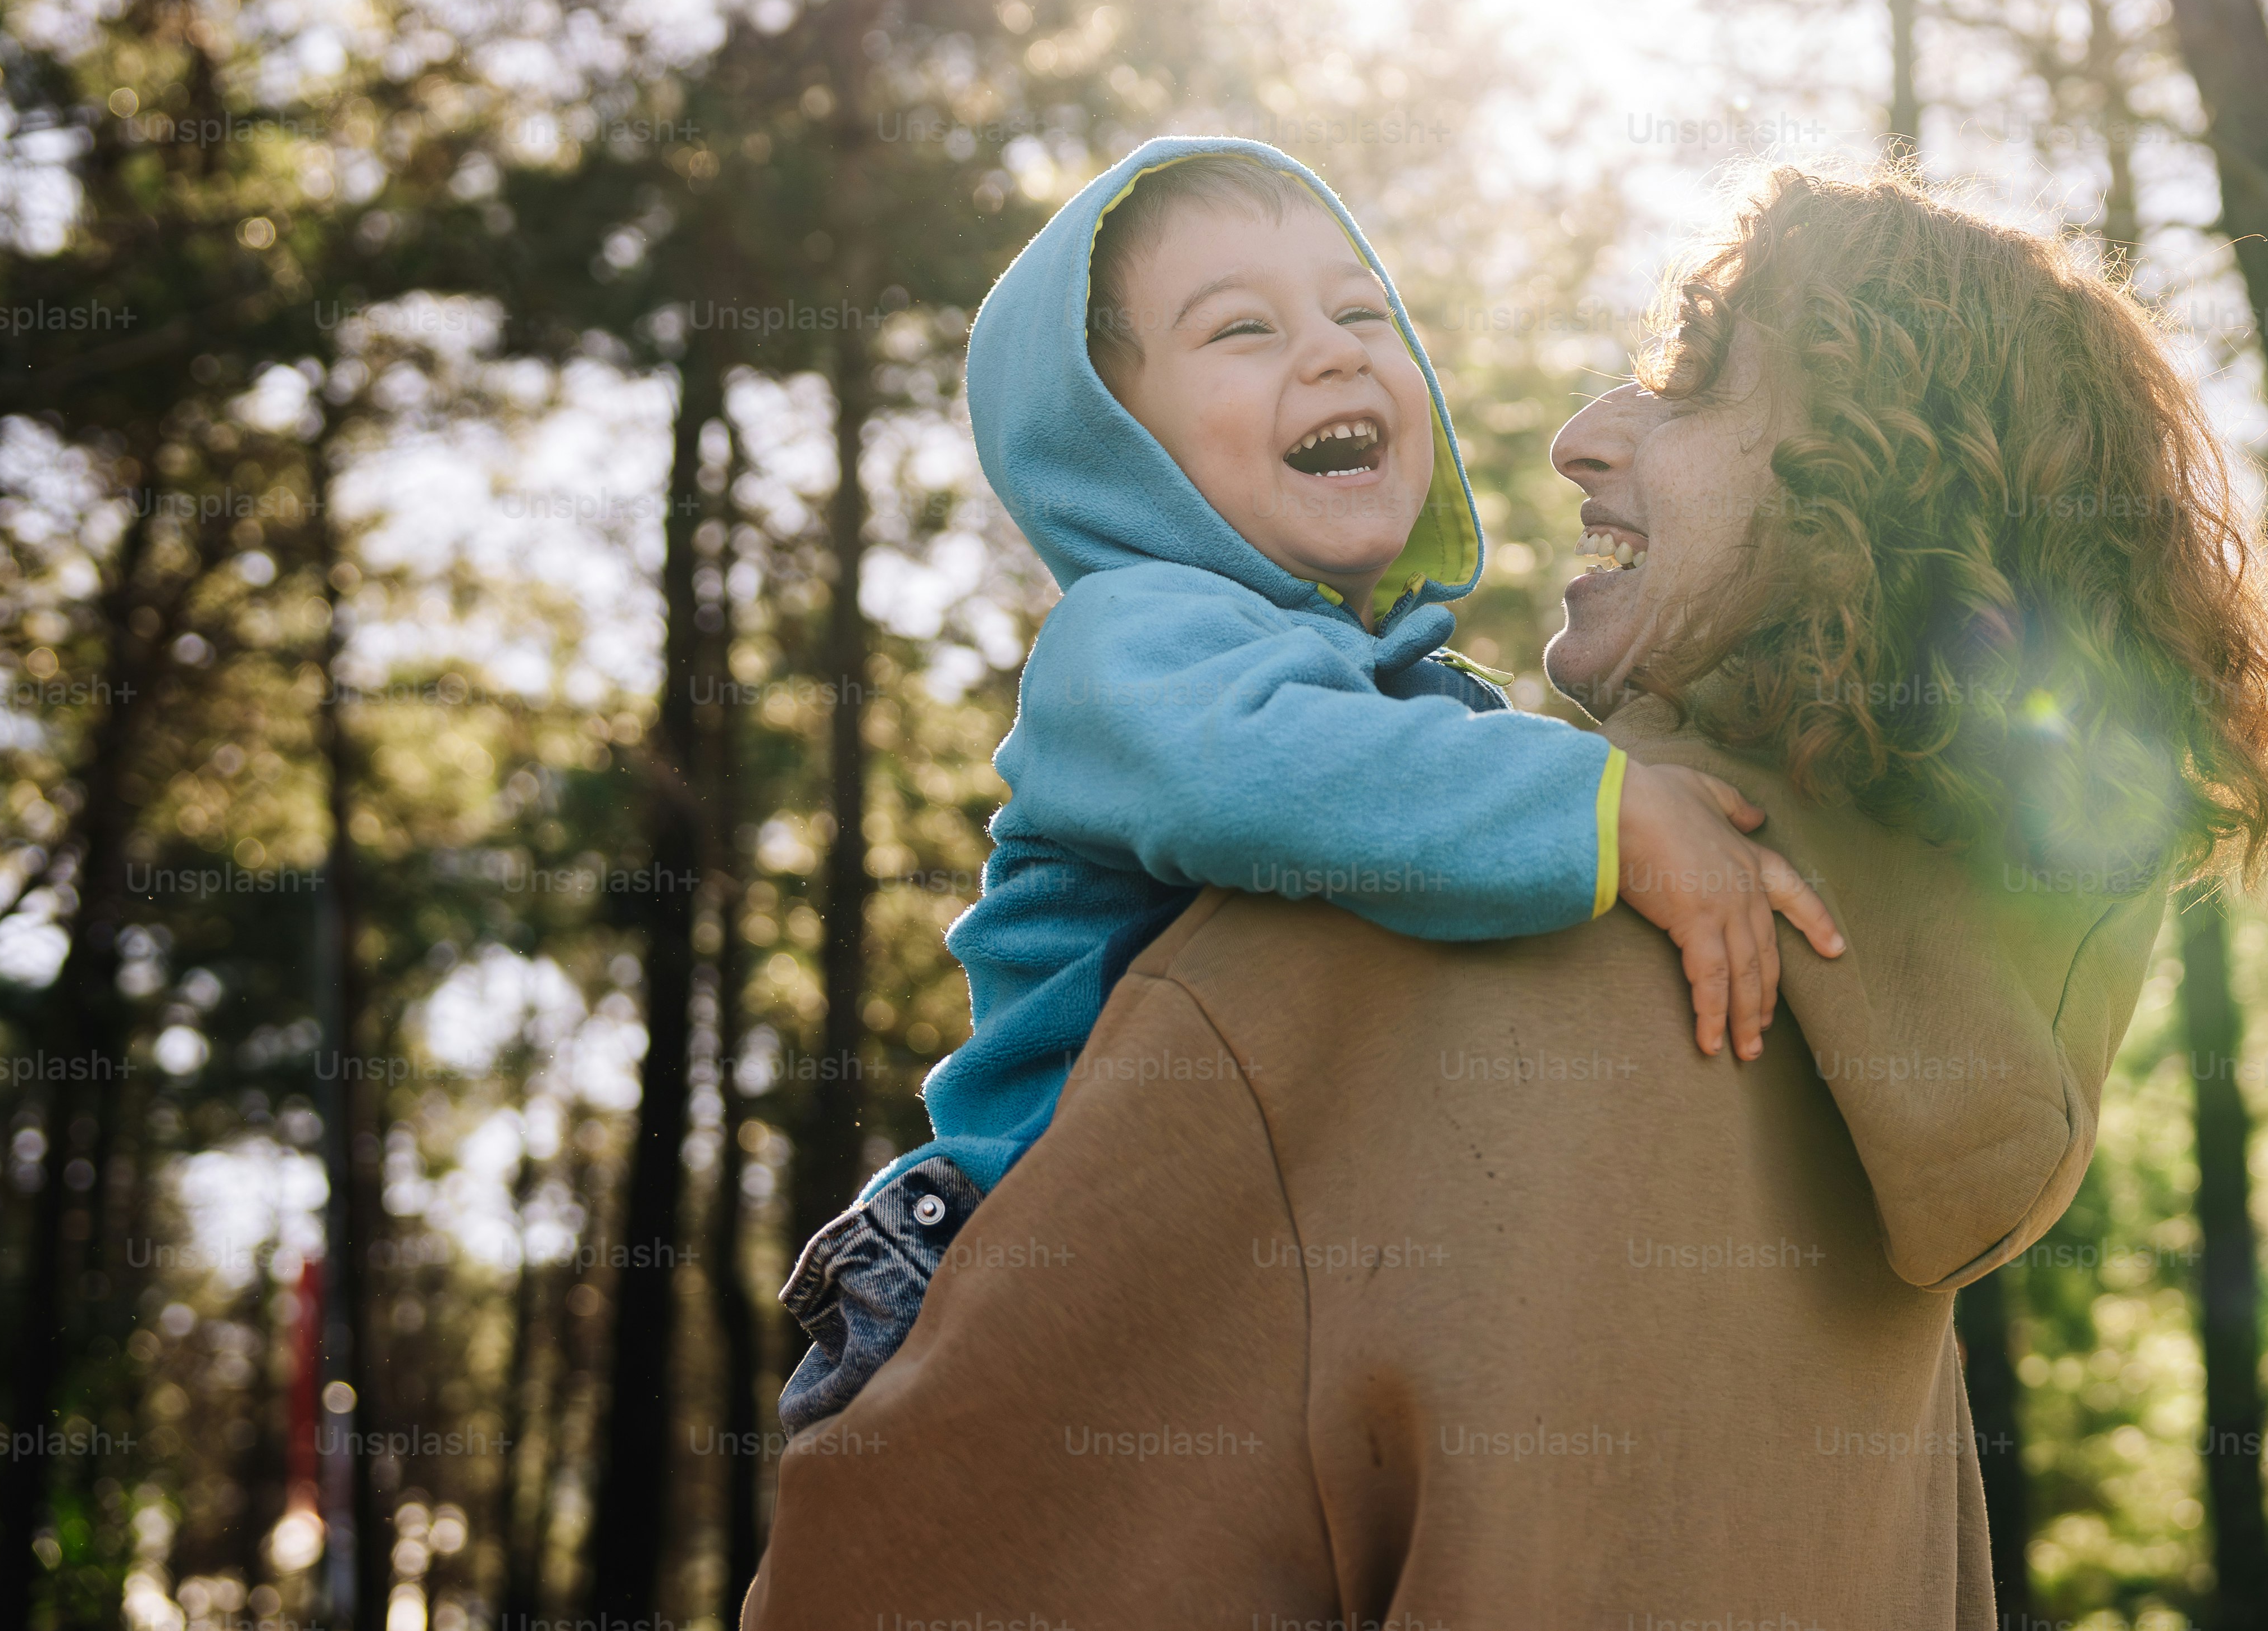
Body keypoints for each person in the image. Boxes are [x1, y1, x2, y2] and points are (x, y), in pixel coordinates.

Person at [748, 165, 2268, 1630]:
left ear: (1881, 477)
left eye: (1696, 379)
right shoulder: (1900, 1121)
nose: (1580, 434)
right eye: (1240, 331)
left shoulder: (1409, 960)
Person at [774, 136, 1840, 1429]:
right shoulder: (1132, 642)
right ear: (1113, 445)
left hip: (1245, 1268)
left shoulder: (1422, 704)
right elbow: (1257, 778)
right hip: (1009, 1254)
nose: (1335, 353)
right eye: (1243, 329)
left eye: (1362, 313)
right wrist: (1607, 811)